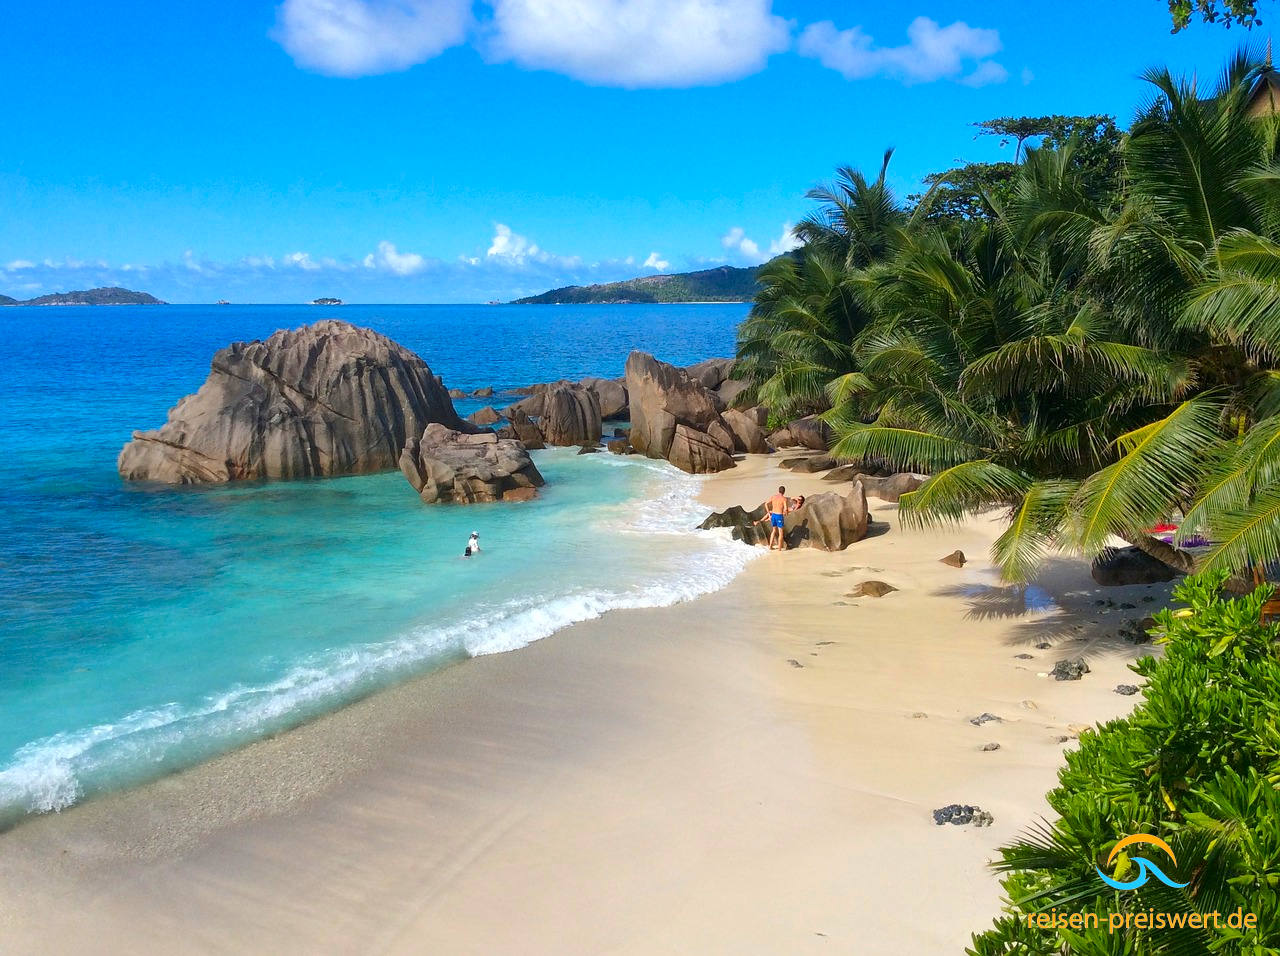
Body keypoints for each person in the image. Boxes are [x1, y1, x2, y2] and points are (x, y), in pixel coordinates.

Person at [754, 485, 792, 551]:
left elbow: (766, 504)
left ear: (778, 490)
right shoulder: (784, 499)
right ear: (784, 492)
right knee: (781, 533)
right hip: (779, 516)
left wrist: (768, 513)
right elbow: (785, 509)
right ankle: (779, 549)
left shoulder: (773, 497)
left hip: (773, 515)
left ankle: (770, 547)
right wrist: (787, 513)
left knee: (774, 531)